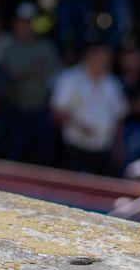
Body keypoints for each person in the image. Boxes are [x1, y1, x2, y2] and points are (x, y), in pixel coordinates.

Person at [0, 4, 61, 165]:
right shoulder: (5, 45)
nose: (25, 26)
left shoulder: (45, 46)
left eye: (28, 22)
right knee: (13, 154)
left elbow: (54, 76)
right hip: (15, 109)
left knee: (44, 156)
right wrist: (30, 72)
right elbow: (1, 74)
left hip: (40, 109)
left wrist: (25, 74)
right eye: (21, 22)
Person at [50, 43, 128, 176]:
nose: (101, 60)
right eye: (98, 55)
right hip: (74, 147)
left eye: (105, 57)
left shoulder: (113, 83)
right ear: (89, 55)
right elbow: (57, 110)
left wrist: (118, 147)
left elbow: (118, 116)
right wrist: (79, 126)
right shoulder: (70, 78)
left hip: (103, 149)